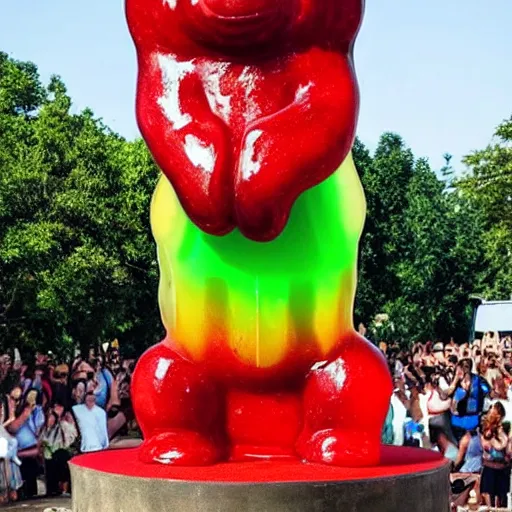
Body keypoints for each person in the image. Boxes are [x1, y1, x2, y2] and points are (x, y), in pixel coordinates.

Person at [7, 389, 45, 499]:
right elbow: (12, 428)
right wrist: (24, 415)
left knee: (30, 485)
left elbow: (38, 431)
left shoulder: (36, 412)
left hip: (31, 453)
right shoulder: (18, 414)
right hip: (19, 454)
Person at [442, 359, 491, 442]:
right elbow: (445, 395)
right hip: (457, 420)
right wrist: (455, 381)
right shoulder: (455, 381)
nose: (465, 369)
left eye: (467, 366)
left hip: (473, 418)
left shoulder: (478, 379)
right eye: (462, 366)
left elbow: (488, 392)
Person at [40, 407, 78, 497]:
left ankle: (64, 490)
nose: (51, 420)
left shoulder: (63, 426)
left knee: (62, 466)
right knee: (51, 476)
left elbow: (72, 437)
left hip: (61, 455)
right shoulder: (43, 429)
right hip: (48, 457)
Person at [480, 403, 510, 508]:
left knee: (501, 496)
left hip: (502, 468)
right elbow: (499, 446)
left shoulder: (502, 429)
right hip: (490, 467)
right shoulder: (487, 431)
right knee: (489, 493)